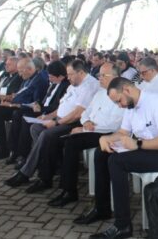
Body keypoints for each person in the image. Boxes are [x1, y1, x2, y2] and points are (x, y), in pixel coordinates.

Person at [87, 77, 158, 239]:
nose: (120, 105)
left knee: (116, 162)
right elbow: (123, 133)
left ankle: (122, 225)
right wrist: (107, 139)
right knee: (101, 153)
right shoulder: (131, 106)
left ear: (127, 90)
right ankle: (102, 209)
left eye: (119, 101)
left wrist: (137, 144)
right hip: (148, 150)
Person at [4, 60, 100, 192]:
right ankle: (49, 166)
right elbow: (62, 107)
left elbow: (78, 113)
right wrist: (47, 117)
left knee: (46, 135)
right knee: (35, 128)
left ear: (81, 72)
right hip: (61, 118)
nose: (68, 77)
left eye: (71, 74)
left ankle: (31, 174)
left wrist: (55, 122)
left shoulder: (89, 86)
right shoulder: (74, 84)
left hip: (74, 122)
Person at [47, 63, 124, 207]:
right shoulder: (101, 93)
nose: (99, 78)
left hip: (107, 134)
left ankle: (69, 191)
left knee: (71, 142)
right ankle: (66, 188)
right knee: (64, 141)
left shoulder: (120, 95)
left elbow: (113, 125)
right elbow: (85, 112)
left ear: (116, 77)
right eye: (99, 75)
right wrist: (86, 121)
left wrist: (85, 129)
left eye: (103, 75)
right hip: (91, 129)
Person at [6, 61, 70, 167]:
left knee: (25, 120)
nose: (49, 79)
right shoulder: (54, 84)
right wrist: (37, 104)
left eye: (51, 77)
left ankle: (25, 155)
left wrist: (42, 108)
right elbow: (46, 100)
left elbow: (59, 108)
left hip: (51, 113)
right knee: (18, 114)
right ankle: (14, 150)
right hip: (43, 110)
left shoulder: (65, 86)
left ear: (60, 76)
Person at [0, 57, 49, 159]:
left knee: (13, 114)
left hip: (28, 109)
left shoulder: (39, 80)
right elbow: (18, 94)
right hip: (18, 106)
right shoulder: (27, 79)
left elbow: (36, 104)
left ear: (29, 69)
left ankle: (15, 151)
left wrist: (12, 105)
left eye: (21, 71)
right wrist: (9, 100)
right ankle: (2, 146)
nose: (19, 74)